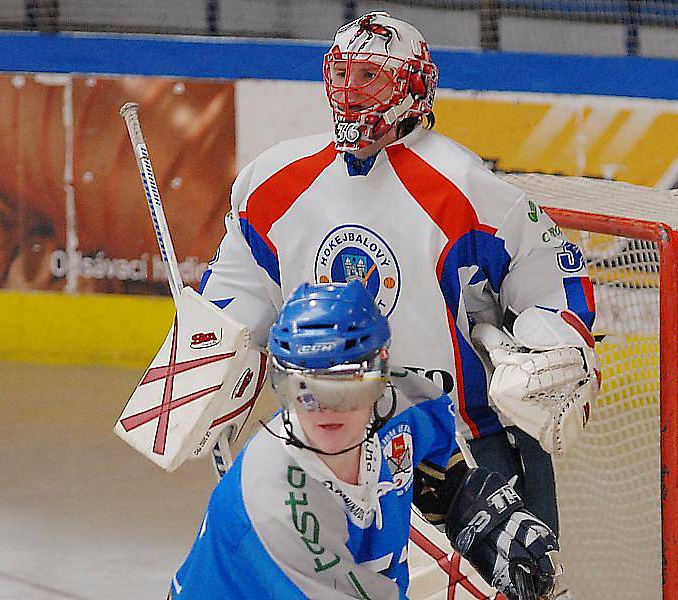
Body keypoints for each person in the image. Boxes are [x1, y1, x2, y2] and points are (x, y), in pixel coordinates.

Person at [198, 11, 599, 597]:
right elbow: (236, 294)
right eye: (341, 74)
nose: (350, 92)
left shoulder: (463, 184)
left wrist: (549, 347)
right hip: (332, 443)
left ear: (412, 88)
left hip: (459, 453)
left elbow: (552, 278)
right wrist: (206, 363)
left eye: (370, 77)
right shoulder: (273, 180)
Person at [169, 281, 559, 599]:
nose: (325, 411)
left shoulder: (405, 405)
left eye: (345, 388)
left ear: (379, 378)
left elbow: (437, 465)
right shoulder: (281, 503)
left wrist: (464, 500)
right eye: (304, 389)